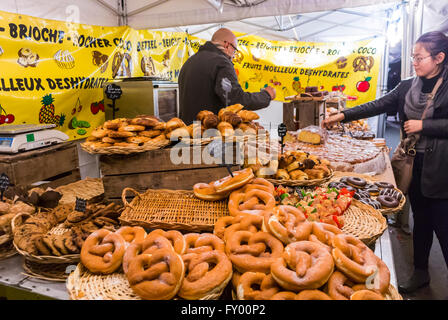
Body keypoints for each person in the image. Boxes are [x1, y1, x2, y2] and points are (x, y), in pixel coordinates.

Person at [322, 31, 448, 294]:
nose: (414, 61)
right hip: (415, 165)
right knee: (421, 222)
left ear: (439, 58)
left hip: (442, 169)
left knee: (444, 227)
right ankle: (421, 273)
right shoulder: (407, 86)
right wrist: (342, 115)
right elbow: (379, 104)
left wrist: (426, 125)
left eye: (419, 57)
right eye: (412, 56)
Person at [178, 28, 276, 124]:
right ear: (227, 45)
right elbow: (236, 100)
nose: (233, 56)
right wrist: (266, 95)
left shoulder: (189, 62)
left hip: (187, 131)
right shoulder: (221, 62)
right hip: (209, 133)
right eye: (235, 50)